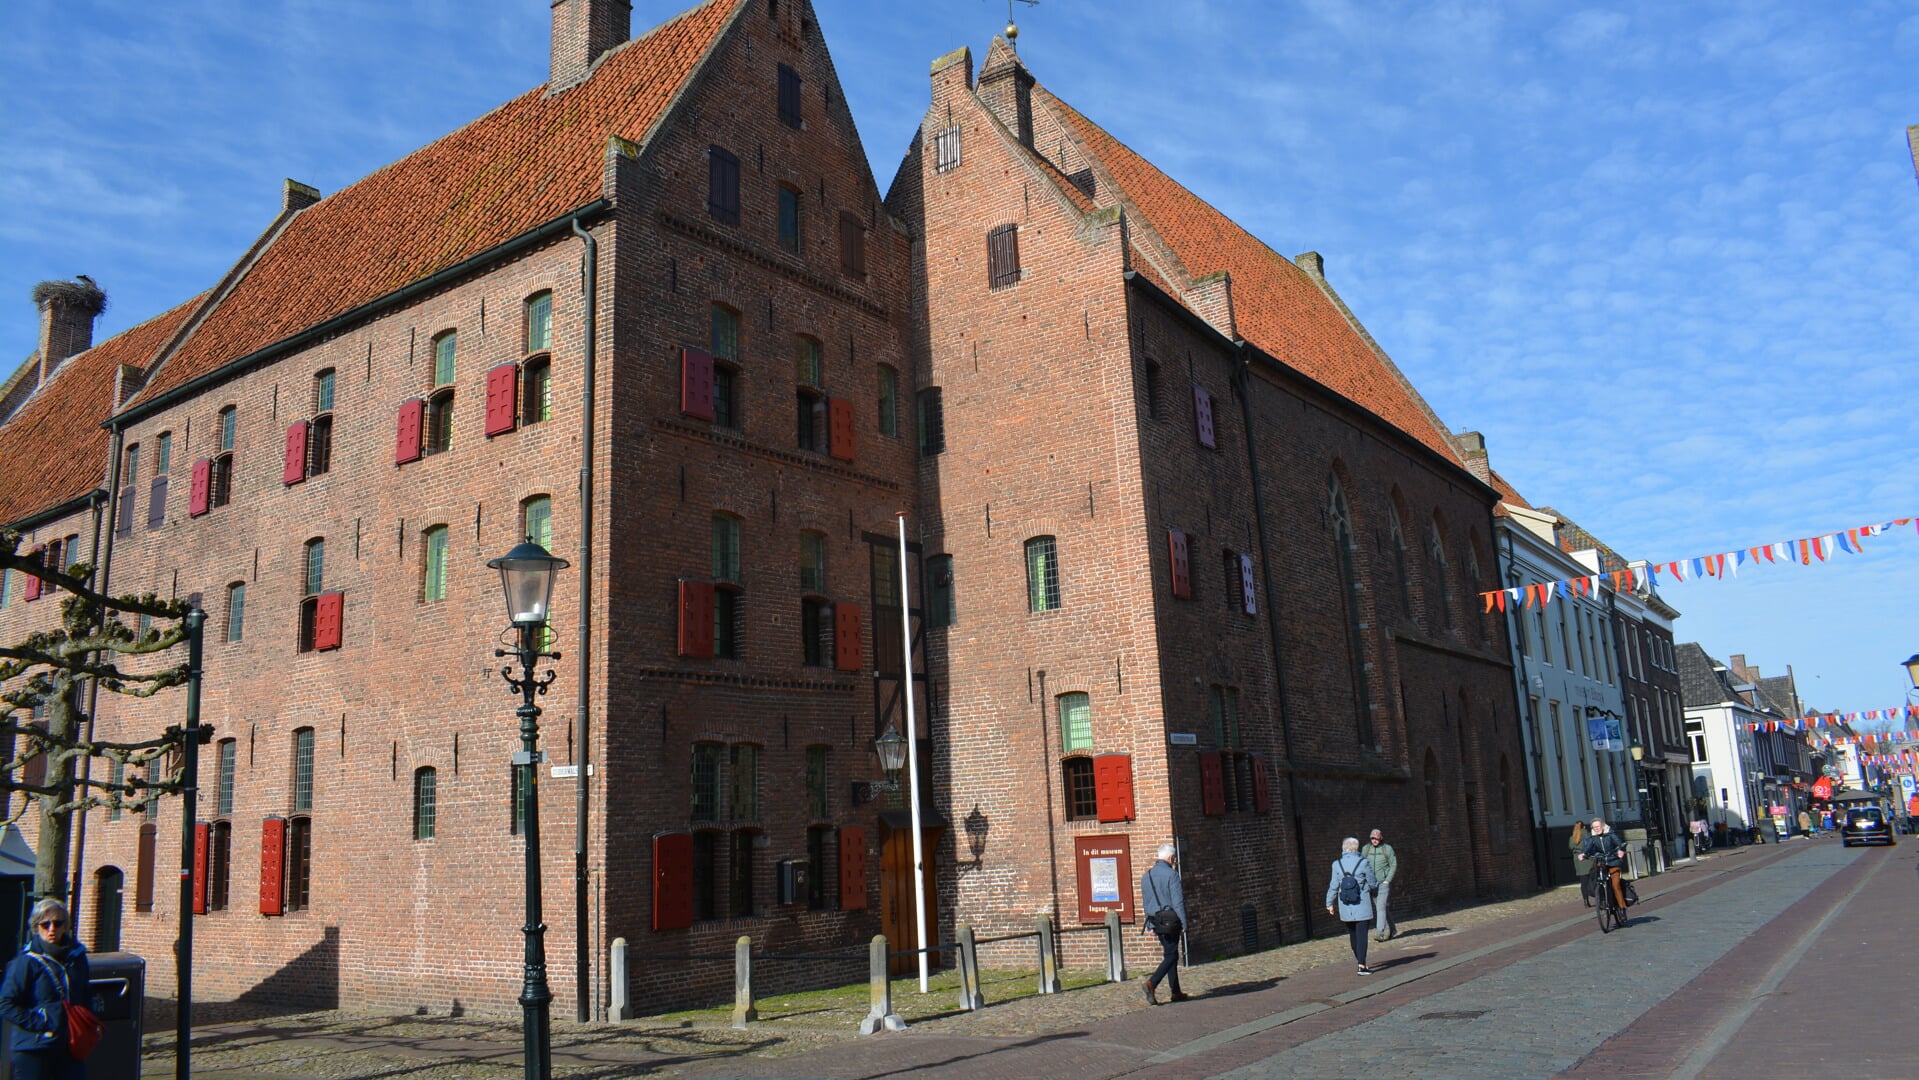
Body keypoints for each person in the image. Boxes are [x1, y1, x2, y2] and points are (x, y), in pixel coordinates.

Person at [0, 898, 93, 1080]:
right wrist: (40, 1022)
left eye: (58, 923)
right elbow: (5, 1003)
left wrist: (88, 1017)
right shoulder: (26, 961)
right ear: (36, 927)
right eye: (45, 924)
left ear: (65, 926)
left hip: (70, 1045)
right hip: (34, 1048)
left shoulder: (77, 957)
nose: (52, 929)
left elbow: (84, 992)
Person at [1138, 843, 1189, 1006]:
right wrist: (1184, 923)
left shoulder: (1147, 876)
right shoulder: (1172, 875)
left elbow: (1146, 902)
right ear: (1171, 858)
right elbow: (1178, 902)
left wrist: (1149, 925)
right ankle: (1152, 983)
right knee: (1172, 955)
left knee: (1169, 952)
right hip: (1171, 920)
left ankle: (1176, 991)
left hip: (1156, 920)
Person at [1325, 837, 1379, 975]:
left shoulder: (1336, 865)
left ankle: (1358, 959)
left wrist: (1329, 903)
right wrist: (1374, 889)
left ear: (1343, 848)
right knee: (1362, 935)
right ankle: (1362, 965)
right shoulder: (1363, 862)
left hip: (1345, 905)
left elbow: (1333, 886)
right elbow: (1372, 882)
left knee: (1353, 934)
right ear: (1357, 848)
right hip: (1362, 904)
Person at [1576, 818, 1628, 914]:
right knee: (1599, 879)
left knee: (1615, 885)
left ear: (1603, 826)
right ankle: (1604, 899)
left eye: (1598, 826)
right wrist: (1583, 854)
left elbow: (1620, 843)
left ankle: (1622, 907)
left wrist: (1620, 850)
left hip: (1613, 861)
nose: (1597, 829)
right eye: (1594, 827)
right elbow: (1587, 848)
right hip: (1602, 862)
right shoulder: (1593, 837)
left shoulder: (1610, 834)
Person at [1364, 828, 1397, 941]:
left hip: (1383, 883)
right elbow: (1362, 864)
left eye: (1376, 838)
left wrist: (1388, 880)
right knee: (1382, 908)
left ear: (1381, 838)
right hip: (1371, 884)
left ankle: (1380, 933)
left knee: (1380, 907)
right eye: (1372, 838)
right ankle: (1392, 929)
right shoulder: (1366, 849)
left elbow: (1393, 864)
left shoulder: (1387, 849)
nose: (1374, 840)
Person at [1569, 821, 1593, 906]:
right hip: (1588, 859)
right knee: (1593, 879)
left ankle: (1586, 900)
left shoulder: (1572, 837)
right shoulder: (1586, 834)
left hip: (1578, 861)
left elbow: (1571, 847)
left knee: (1583, 882)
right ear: (1584, 827)